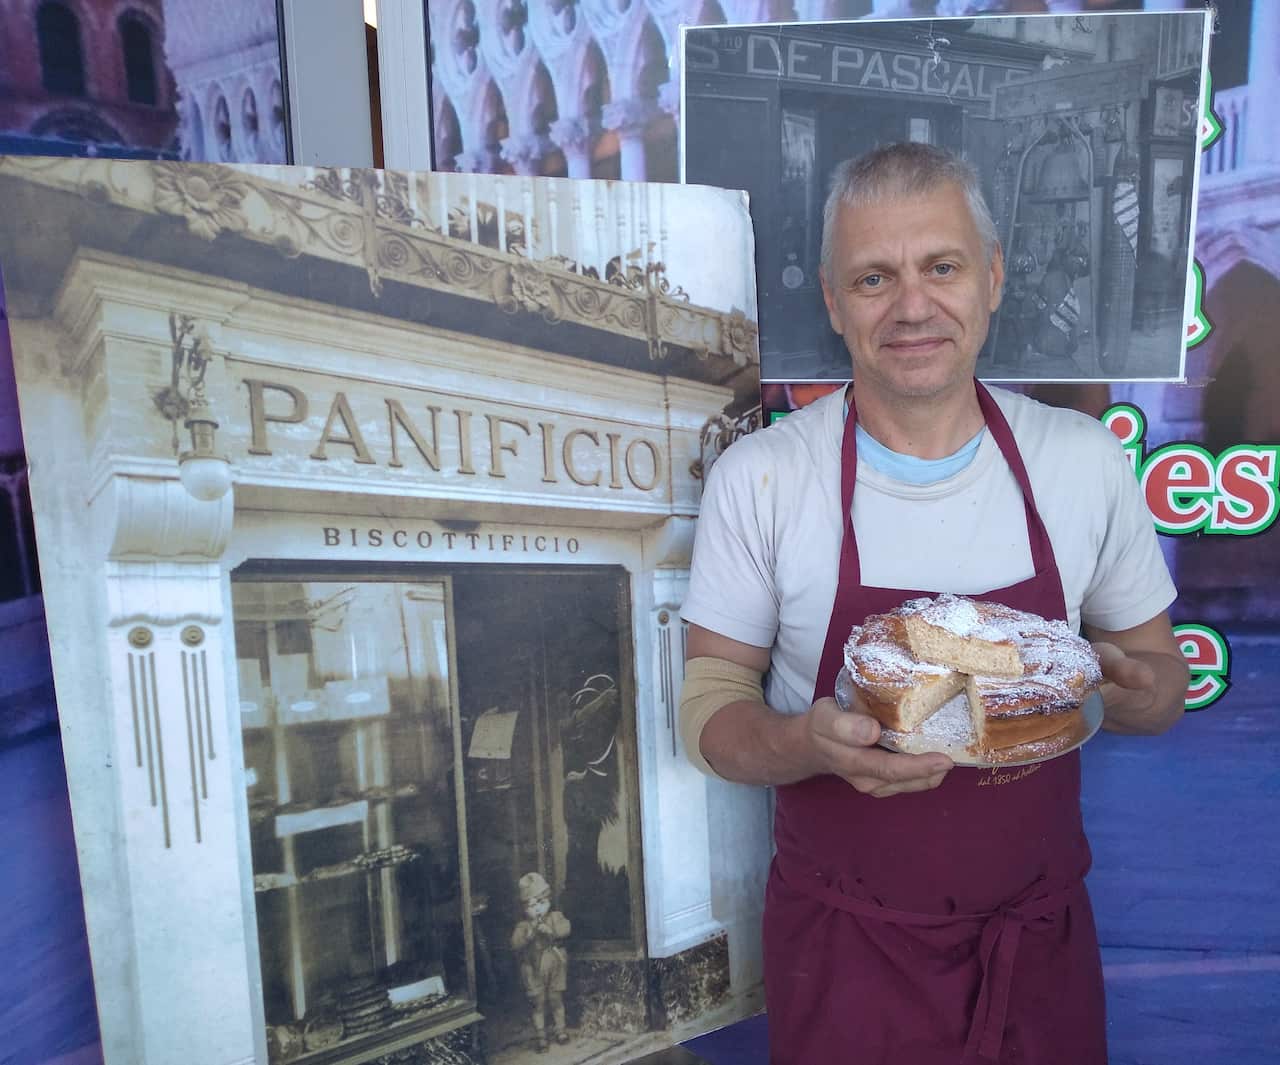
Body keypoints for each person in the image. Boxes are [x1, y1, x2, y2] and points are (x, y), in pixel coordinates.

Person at [678, 143, 1189, 1065]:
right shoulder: (763, 479)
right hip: (846, 965)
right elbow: (709, 713)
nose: (913, 305)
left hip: (1037, 952)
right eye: (874, 277)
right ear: (834, 303)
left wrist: (1142, 692)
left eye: (941, 267)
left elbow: (1162, 676)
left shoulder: (1081, 461)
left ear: (992, 278)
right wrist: (806, 744)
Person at [510, 871, 571, 1052]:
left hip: (554, 966)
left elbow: (566, 929)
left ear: (549, 901)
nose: (538, 909)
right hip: (533, 969)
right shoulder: (523, 926)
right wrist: (529, 936)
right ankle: (541, 1036)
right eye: (532, 905)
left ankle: (561, 1030)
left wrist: (550, 931)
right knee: (538, 1003)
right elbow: (515, 944)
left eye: (542, 903)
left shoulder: (555, 917)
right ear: (524, 908)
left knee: (556, 999)